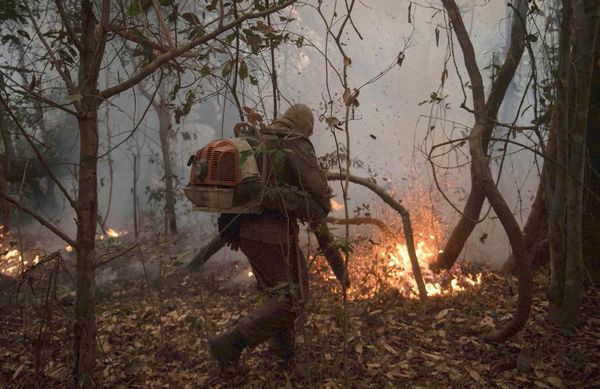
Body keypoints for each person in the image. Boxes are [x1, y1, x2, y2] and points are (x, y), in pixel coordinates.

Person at [208, 103, 340, 369]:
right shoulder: (292, 142)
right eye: (309, 129)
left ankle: (282, 354)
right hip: (271, 234)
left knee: (280, 292)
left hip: (248, 233)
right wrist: (320, 202)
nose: (309, 134)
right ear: (302, 124)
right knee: (294, 297)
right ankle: (232, 342)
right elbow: (317, 185)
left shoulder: (258, 140)